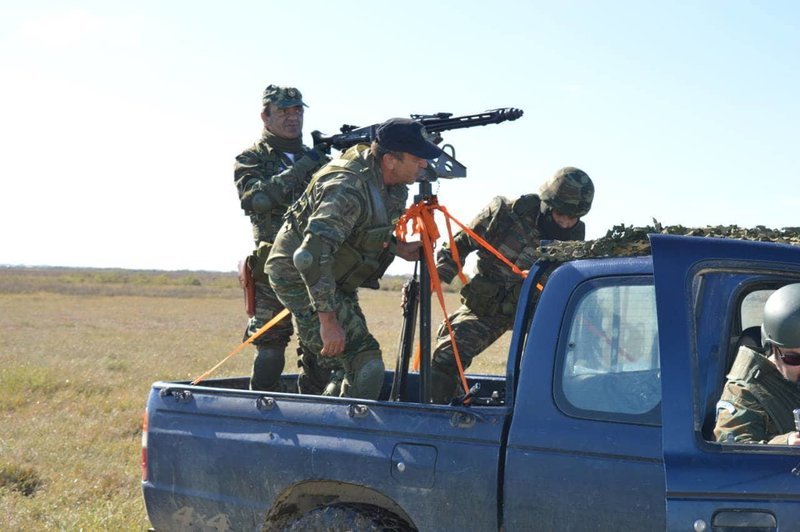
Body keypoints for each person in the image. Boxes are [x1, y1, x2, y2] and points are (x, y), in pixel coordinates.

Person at [265, 118, 441, 399]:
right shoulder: (347, 186)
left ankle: (315, 408)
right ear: (390, 160)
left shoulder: (392, 184)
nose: (424, 164)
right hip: (299, 276)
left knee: (333, 361)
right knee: (364, 365)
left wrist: (398, 248)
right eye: (417, 158)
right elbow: (310, 255)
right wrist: (328, 321)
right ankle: (336, 437)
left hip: (331, 275)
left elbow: (359, 228)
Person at [430, 167, 595, 403]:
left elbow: (568, 278)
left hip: (536, 312)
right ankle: (448, 415)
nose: (567, 223)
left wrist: (542, 278)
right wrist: (437, 278)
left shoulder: (575, 238)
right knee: (446, 357)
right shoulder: (505, 214)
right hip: (487, 307)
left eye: (573, 218)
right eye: (561, 214)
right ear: (547, 204)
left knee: (552, 369)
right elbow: (461, 244)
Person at [233, 84, 329, 392]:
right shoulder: (252, 158)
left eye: (297, 111)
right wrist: (304, 166)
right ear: (265, 116)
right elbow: (258, 200)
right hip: (272, 264)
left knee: (322, 346)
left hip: (316, 264)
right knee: (271, 346)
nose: (292, 118)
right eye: (284, 112)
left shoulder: (316, 158)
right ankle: (258, 411)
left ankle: (313, 408)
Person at [713, 283, 800, 445]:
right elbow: (734, 452)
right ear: (771, 347)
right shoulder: (742, 391)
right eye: (795, 358)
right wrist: (786, 442)